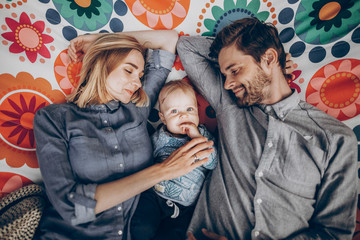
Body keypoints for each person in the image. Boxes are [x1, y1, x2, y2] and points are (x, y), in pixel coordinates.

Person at [176, 17, 358, 240]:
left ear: (268, 58)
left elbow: (334, 234)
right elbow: (187, 47)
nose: (226, 83)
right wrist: (246, 60)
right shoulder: (229, 105)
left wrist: (273, 59)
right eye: (224, 74)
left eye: (234, 71)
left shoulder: (336, 139)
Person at [33, 30, 214, 239]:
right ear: (101, 62)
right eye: (129, 71)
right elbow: (73, 206)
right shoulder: (54, 119)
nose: (138, 83)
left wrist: (98, 40)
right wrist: (163, 171)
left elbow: (169, 40)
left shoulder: (136, 108)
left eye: (140, 76)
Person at [130, 80, 218, 240]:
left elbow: (212, 163)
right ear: (163, 119)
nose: (183, 115)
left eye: (189, 109)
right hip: (155, 195)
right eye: (174, 111)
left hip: (184, 208)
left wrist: (196, 137)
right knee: (141, 229)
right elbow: (144, 158)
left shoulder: (204, 137)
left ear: (198, 113)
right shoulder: (158, 137)